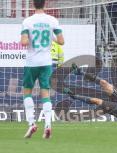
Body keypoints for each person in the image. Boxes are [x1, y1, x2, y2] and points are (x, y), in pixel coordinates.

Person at [20, 0, 64, 139]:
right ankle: (48, 126)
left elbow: (24, 42)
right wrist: (51, 37)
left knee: (27, 92)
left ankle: (32, 123)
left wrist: (30, 38)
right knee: (45, 93)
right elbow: (61, 41)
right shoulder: (52, 20)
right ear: (45, 4)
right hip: (46, 63)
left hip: (32, 62)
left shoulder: (27, 21)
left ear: (33, 4)